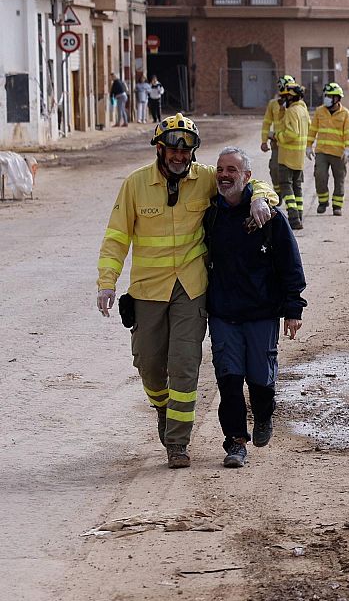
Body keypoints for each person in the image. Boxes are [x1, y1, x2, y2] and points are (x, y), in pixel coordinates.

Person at [97, 115, 276, 468]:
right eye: (174, 150)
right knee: (149, 366)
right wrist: (107, 282)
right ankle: (163, 409)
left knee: (184, 366)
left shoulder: (206, 177)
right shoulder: (135, 184)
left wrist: (260, 199)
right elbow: (116, 237)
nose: (180, 157)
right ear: (160, 149)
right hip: (148, 289)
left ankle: (177, 443)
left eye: (187, 151)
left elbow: (246, 180)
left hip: (191, 288)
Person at [203, 147, 306, 468]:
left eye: (232, 169)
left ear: (247, 176)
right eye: (220, 169)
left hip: (261, 313)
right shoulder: (211, 215)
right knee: (229, 379)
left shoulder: (269, 217)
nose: (224, 175)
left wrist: (293, 309)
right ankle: (235, 442)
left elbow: (290, 263)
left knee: (261, 378)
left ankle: (263, 415)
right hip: (224, 313)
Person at [310, 82, 349, 216]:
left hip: (338, 153)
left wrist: (348, 149)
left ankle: (337, 206)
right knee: (320, 176)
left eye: (330, 96)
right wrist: (308, 145)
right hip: (322, 151)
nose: (327, 98)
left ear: (337, 98)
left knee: (339, 179)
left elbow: (348, 132)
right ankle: (323, 202)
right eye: (326, 95)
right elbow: (313, 130)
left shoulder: (345, 114)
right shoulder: (319, 111)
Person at [272, 81, 311, 230]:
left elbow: (292, 133)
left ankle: (293, 217)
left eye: (286, 97)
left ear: (291, 97)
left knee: (286, 186)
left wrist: (278, 136)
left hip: (287, 156)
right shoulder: (303, 110)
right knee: (297, 187)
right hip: (299, 156)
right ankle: (299, 215)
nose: (283, 99)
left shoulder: (292, 112)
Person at [259, 75, 294, 189]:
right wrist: (264, 141)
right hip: (277, 143)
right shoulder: (273, 104)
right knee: (274, 169)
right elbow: (266, 123)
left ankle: (290, 192)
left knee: (291, 171)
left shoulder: (296, 105)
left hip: (291, 144)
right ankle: (278, 192)